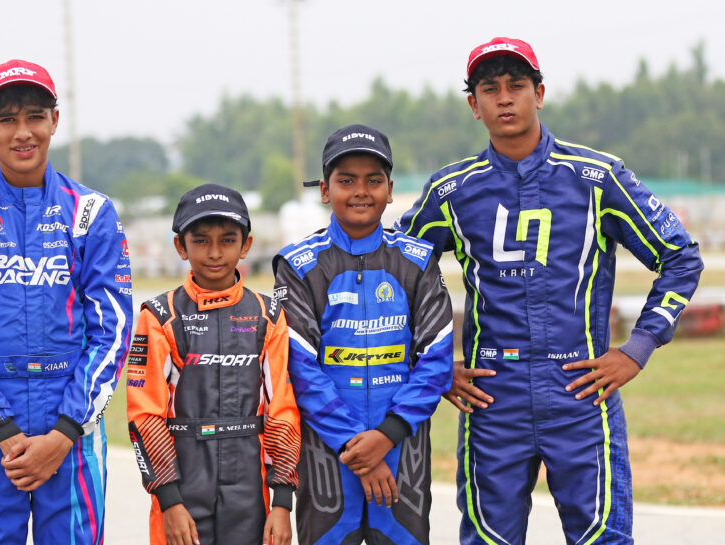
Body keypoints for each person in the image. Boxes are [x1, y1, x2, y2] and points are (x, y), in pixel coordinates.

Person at [396, 37, 705, 545]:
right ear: (473, 105)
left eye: (516, 85)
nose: (504, 98)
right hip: (491, 397)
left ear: (539, 93)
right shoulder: (450, 191)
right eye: (489, 88)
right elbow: (395, 279)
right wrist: (433, 368)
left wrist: (638, 349)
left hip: (582, 391)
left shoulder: (598, 178)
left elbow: (680, 257)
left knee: (604, 537)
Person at [0, 59, 133, 544]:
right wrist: (5, 433)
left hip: (71, 423)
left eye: (34, 116)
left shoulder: (91, 212)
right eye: (7, 118)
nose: (22, 132)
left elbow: (113, 333)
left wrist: (62, 435)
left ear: (55, 121)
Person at [273, 124, 454, 545]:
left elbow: (437, 359)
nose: (360, 191)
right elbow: (299, 367)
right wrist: (357, 449)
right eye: (346, 180)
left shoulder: (417, 261)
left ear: (390, 190)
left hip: (400, 447)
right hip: (329, 454)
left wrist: (386, 436)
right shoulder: (298, 265)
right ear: (324, 189)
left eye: (373, 180)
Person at [126, 183, 301, 545]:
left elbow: (282, 410)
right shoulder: (159, 316)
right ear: (181, 246)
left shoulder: (268, 315)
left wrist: (282, 502)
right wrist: (169, 501)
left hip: (249, 488)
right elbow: (144, 415)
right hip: (182, 482)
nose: (215, 252)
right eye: (201, 240)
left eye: (228, 240)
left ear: (246, 245)